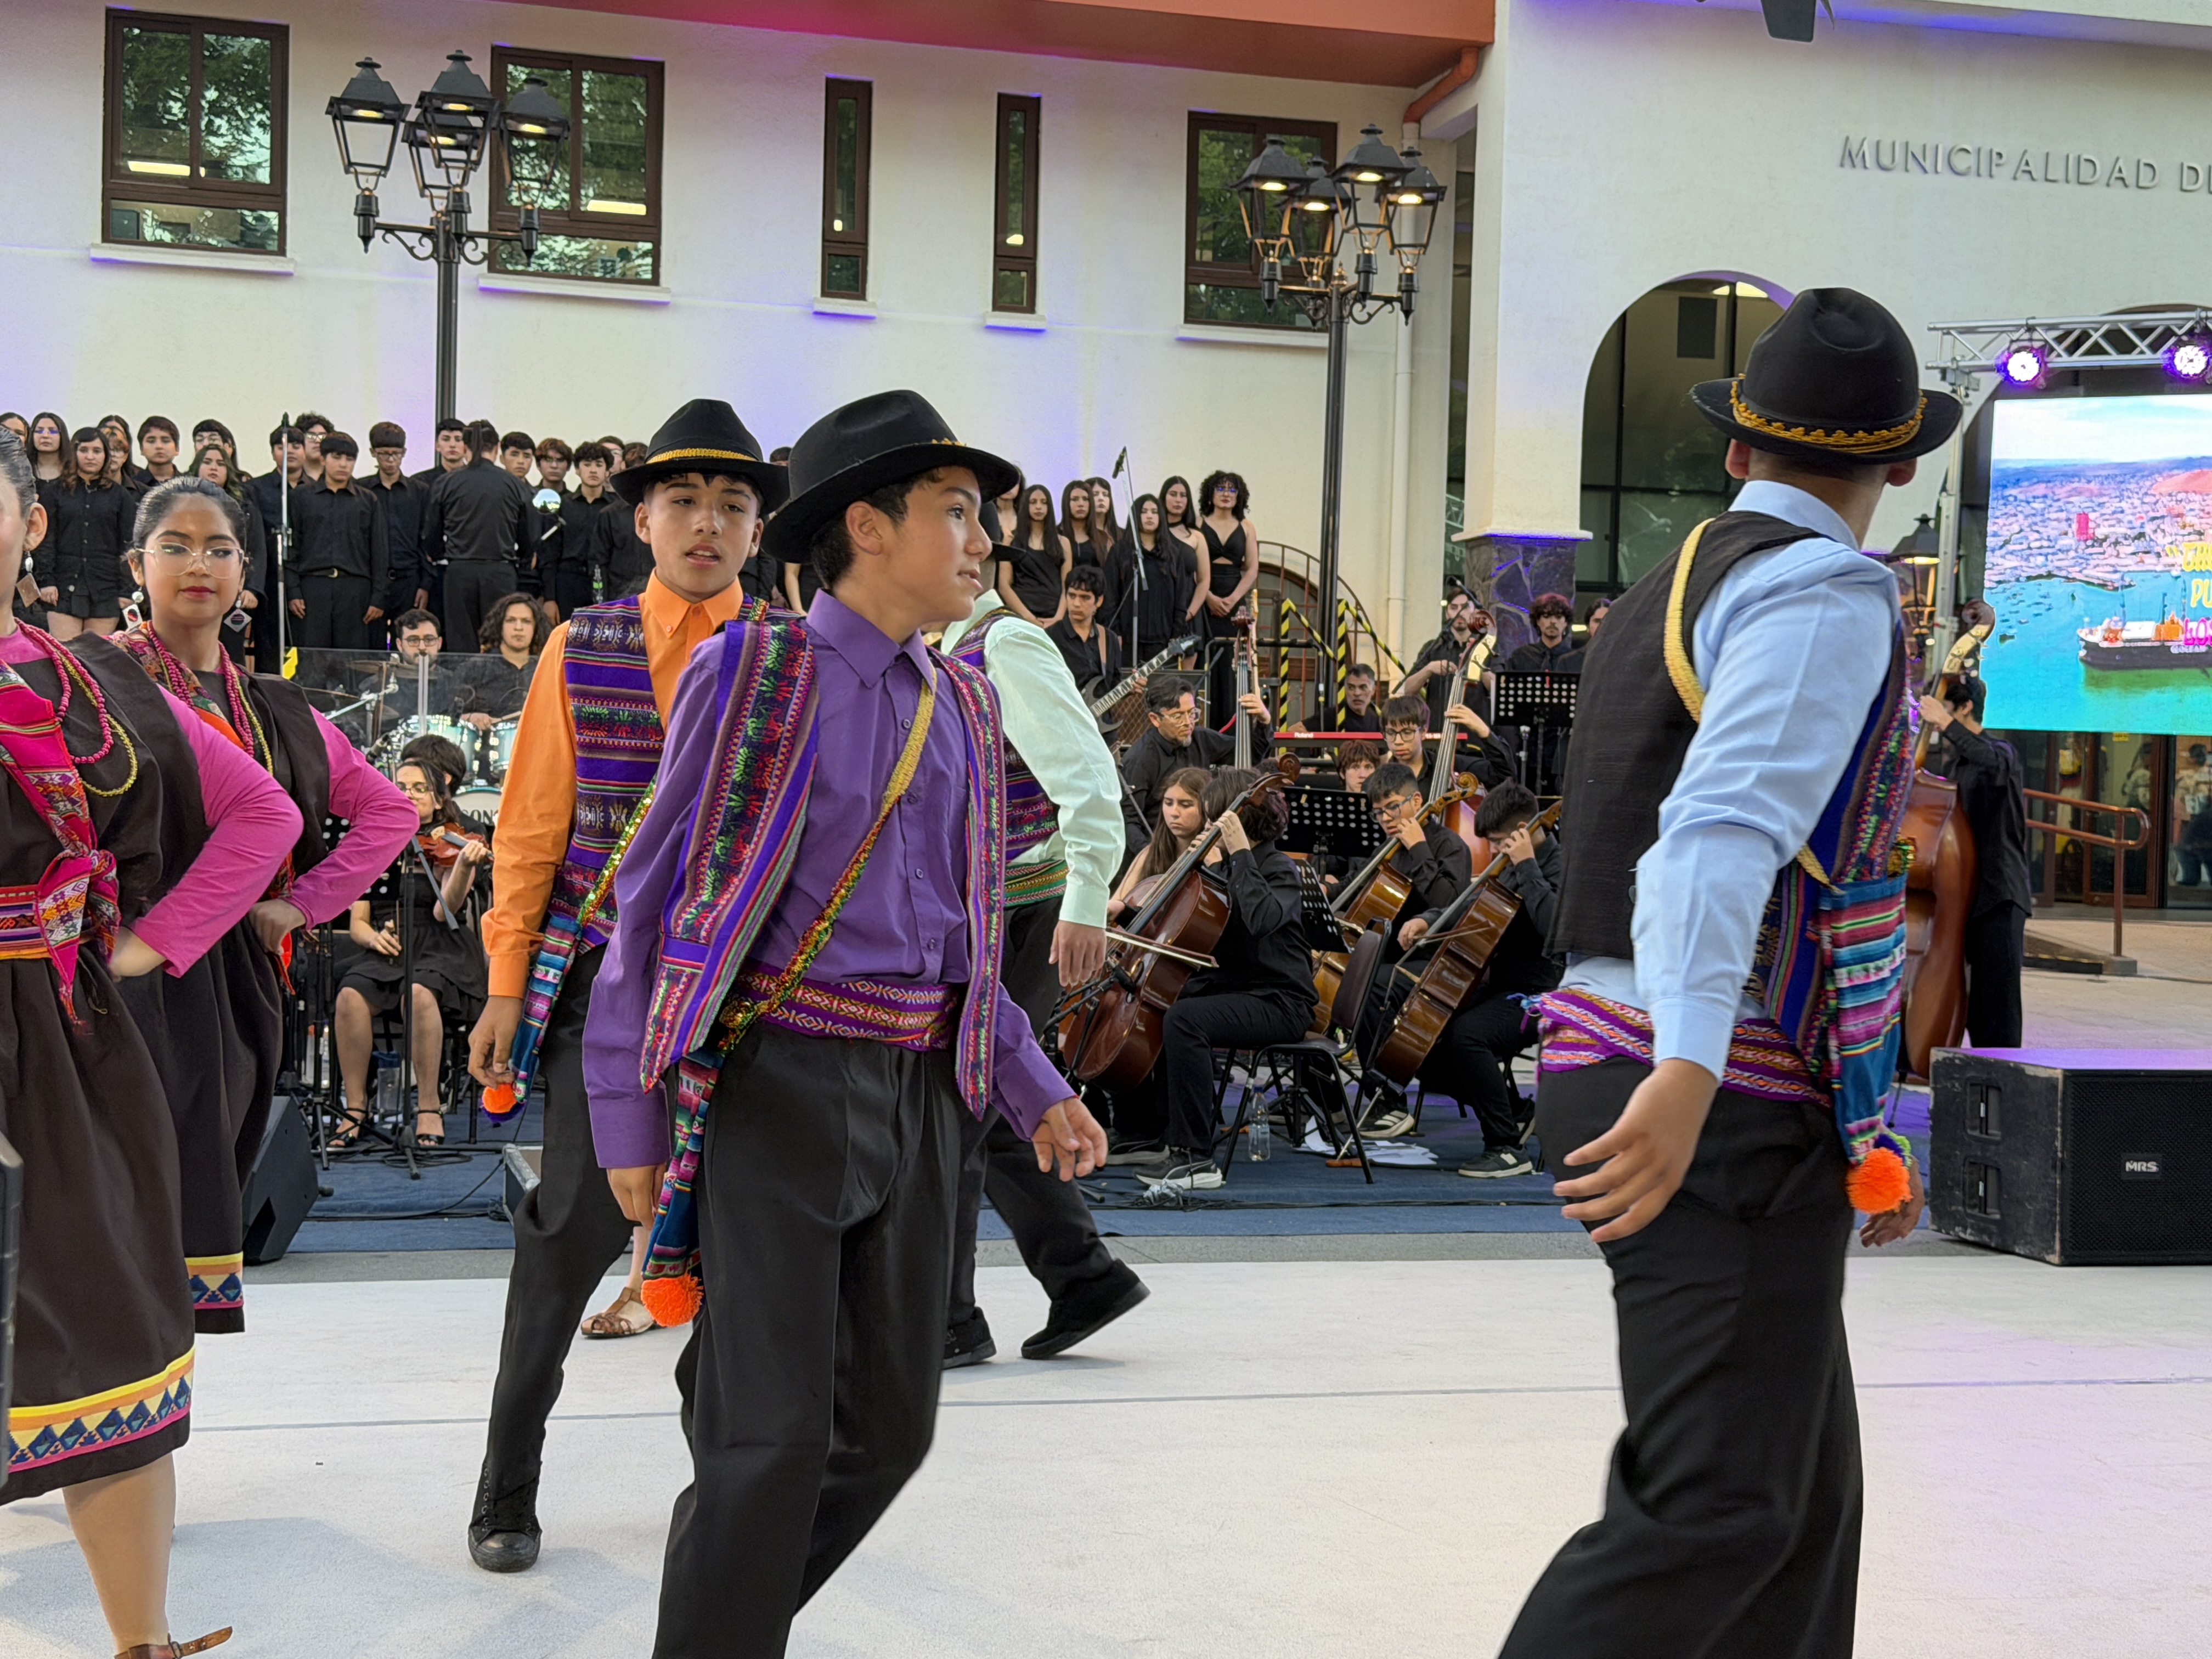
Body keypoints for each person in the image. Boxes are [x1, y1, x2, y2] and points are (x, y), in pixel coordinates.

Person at [580, 388, 1106, 1656]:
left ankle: (716, 1623)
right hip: (784, 1083)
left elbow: (973, 937)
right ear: (870, 526)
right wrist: (624, 1104)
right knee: (767, 1438)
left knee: (893, 1429)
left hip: (927, 1092)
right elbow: (654, 890)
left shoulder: (967, 699)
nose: (985, 542)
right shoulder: (755, 671)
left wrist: (1037, 1088)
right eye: (959, 512)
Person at [1503, 288, 1945, 1657]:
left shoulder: (1672, 584)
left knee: (1800, 1507)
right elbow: (1712, 841)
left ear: (1740, 451)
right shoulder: (1822, 588)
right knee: (1718, 1509)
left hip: (1669, 1067)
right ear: (1902, 468)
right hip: (1709, 1090)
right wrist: (1693, 1071)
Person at [462, 399, 789, 1576]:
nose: (709, 524)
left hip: (751, 1001)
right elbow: (533, 825)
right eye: (687, 501)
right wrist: (506, 984)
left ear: (758, 530)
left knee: (749, 1252)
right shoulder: (581, 646)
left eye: (734, 505)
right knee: (568, 1237)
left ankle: (733, 1504)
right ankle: (506, 1483)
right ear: (644, 515)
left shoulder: (793, 659)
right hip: (601, 983)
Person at [0, 428, 301, 1659]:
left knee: (114, 1333)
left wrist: (144, 947)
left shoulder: (93, 685)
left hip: (65, 1037)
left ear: (28, 526)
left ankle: (140, 1642)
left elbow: (261, 814)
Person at [113, 478, 414, 1324]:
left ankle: (150, 1407)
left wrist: (303, 903)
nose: (197, 564)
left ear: (247, 571)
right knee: (114, 1200)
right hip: (120, 968)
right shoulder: (95, 679)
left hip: (232, 982)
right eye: (175, 545)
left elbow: (390, 811)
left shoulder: (276, 710)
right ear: (138, 564)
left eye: (218, 548)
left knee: (194, 1194)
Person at [940, 568, 1147, 1367]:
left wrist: (1088, 895)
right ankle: (1085, 1278)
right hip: (998, 903)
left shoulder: (1010, 644)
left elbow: (1088, 775)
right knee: (990, 1106)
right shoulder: (954, 651)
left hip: (1031, 903)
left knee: (959, 1101)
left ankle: (950, 1319)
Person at [1114, 768, 1313, 1193]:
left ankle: (1196, 1158)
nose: (1206, 830)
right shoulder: (1223, 869)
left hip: (1280, 1001)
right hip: (1240, 988)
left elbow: (1261, 921)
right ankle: (1159, 1131)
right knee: (1168, 1002)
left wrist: (1239, 855)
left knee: (1187, 1019)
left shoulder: (1278, 869)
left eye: (1213, 822)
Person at [1394, 781, 1560, 1177]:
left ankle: (1505, 1148)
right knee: (1422, 1036)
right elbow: (1466, 904)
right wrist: (1426, 920)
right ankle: (1512, 1110)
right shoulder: (1506, 865)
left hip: (1544, 992)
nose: (1498, 851)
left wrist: (1527, 867)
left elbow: (1556, 930)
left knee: (1468, 1036)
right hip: (1502, 985)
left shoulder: (1560, 865)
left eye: (1503, 842)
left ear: (1527, 830)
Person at [332, 758, 492, 1148]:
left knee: (419, 994)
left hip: (441, 945)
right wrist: (373, 939)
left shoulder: (448, 841)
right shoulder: (376, 841)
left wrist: (463, 868)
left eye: (419, 788)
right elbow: (358, 923)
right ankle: (355, 1108)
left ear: (438, 800)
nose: (408, 793)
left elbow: (445, 910)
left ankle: (428, 1106)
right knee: (350, 996)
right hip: (390, 945)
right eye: (401, 786)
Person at [1919, 673, 2032, 1048]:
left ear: (1965, 708)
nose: (1938, 718)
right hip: (1964, 896)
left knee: (1998, 1002)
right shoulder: (1955, 768)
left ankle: (2004, 1079)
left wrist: (1944, 723)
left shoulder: (2002, 753)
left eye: (1946, 708)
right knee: (1971, 1000)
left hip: (1999, 895)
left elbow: (1987, 759)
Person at [1119, 673, 1273, 850]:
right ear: (1155, 719)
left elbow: (1250, 755)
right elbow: (1129, 822)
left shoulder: (1200, 738)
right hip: (1162, 850)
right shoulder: (1140, 759)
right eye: (1178, 716)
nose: (1188, 723)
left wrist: (1264, 721)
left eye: (1191, 714)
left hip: (1202, 845)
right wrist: (1152, 861)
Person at [423, 418, 539, 651]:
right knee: (498, 640)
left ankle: (464, 687)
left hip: (459, 573)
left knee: (461, 641)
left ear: (465, 447)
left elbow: (431, 533)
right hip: (500, 572)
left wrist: (437, 555)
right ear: (496, 448)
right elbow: (529, 534)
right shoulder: (515, 484)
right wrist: (524, 559)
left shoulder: (447, 482)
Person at [284, 432, 390, 667]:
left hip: (355, 590)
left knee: (353, 664)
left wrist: (378, 597)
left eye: (350, 459)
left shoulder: (368, 500)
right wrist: (293, 590)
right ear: (323, 459)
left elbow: (380, 552)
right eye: (337, 457)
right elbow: (292, 547)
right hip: (313, 588)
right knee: (311, 663)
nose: (344, 464)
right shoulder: (301, 497)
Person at [40, 426, 131, 639]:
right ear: (74, 453)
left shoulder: (121, 496)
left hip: (106, 587)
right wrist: (47, 581)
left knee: (96, 663)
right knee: (66, 659)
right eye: (84, 450)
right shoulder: (55, 492)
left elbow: (130, 545)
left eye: (97, 451)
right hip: (62, 586)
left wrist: (127, 591)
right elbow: (46, 539)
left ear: (106, 456)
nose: (91, 457)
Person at [1099, 490, 1202, 666]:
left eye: (1154, 512)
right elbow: (1110, 596)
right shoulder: (1120, 552)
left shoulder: (1173, 555)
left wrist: (1175, 635)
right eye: (1144, 512)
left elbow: (1180, 600)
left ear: (1161, 518)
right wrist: (1115, 633)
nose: (1149, 516)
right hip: (1127, 640)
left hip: (1162, 641)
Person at [1107, 765, 1209, 924]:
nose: (1174, 813)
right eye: (1168, 803)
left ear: (1206, 807)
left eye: (1186, 805)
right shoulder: (1150, 854)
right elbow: (1117, 903)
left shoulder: (1214, 859)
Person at [1197, 470, 1260, 721]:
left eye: (1232, 490)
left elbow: (1252, 568)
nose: (1226, 494)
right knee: (1208, 658)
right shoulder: (1198, 523)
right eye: (1220, 489)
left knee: (1233, 665)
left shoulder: (1247, 527)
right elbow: (1192, 565)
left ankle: (1232, 729)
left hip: (1236, 598)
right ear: (1210, 494)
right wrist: (1208, 597)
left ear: (1240, 496)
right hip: (1205, 597)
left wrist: (1233, 600)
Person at [364, 421, 430, 625]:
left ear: (404, 452)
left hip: (409, 578)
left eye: (397, 453)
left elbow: (427, 540)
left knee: (407, 640)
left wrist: (425, 585)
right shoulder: (362, 491)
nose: (391, 459)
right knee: (372, 644)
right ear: (373, 453)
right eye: (384, 453)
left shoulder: (420, 491)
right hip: (372, 580)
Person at [1379, 692, 1511, 792]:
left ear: (1424, 731)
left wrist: (1484, 731)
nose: (1398, 741)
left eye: (1407, 733)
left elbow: (1504, 775)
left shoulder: (1451, 766)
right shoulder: (1378, 781)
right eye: (1391, 733)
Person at [546, 442, 619, 618]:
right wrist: (550, 598)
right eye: (587, 465)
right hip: (569, 583)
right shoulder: (563, 505)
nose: (593, 470)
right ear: (577, 470)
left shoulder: (617, 508)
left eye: (599, 465)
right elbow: (550, 554)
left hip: (608, 583)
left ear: (608, 471)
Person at [455, 592, 545, 727]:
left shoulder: (546, 670)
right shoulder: (474, 668)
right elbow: (448, 715)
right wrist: (468, 718)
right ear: (499, 625)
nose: (519, 628)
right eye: (511, 621)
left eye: (526, 621)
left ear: (536, 627)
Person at [998, 481, 1070, 626]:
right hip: (1021, 617)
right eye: (1033, 502)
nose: (1039, 507)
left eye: (1044, 503)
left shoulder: (1063, 543)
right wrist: (1029, 618)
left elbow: (1067, 586)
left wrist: (1058, 619)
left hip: (1055, 617)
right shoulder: (1012, 541)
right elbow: (1004, 586)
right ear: (1025, 505)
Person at [1046, 565, 1122, 691]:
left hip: (1101, 710)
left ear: (1099, 601)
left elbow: (1113, 685)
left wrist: (1129, 691)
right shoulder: (1050, 637)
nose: (1076, 604)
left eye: (1085, 598)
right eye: (1072, 596)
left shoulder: (1109, 639)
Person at [1298, 661, 1382, 733]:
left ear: (1373, 690)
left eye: (1363, 687)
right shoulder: (1334, 714)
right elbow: (1294, 730)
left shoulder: (1377, 718)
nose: (1357, 693)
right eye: (1351, 688)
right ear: (1345, 689)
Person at [2174, 741, 2212, 888]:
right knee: (2188, 859)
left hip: (2203, 822)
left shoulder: (2205, 775)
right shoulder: (2187, 777)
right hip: (2194, 821)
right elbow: (2182, 801)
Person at [132, 416, 182, 492]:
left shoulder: (190, 486)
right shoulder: (132, 487)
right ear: (142, 449)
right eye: (151, 441)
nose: (159, 446)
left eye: (166, 441)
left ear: (177, 448)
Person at [1058, 476, 1098, 569]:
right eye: (1075, 499)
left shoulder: (1102, 539)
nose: (1081, 504)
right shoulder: (1055, 536)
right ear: (1067, 502)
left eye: (1085, 499)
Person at [29, 411, 70, 483]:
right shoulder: (21, 469)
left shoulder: (73, 470)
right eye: (39, 431)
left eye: (53, 431)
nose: (45, 436)